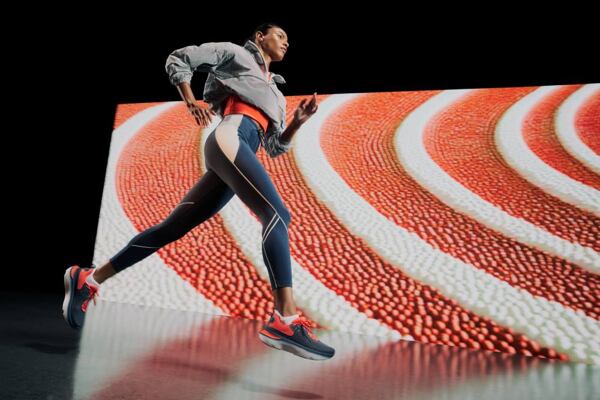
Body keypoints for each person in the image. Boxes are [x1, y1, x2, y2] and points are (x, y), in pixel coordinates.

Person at [63, 22, 335, 361]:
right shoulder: (236, 54)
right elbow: (179, 58)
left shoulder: (278, 95)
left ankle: (88, 278)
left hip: (242, 150)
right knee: (277, 215)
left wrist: (297, 121)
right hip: (229, 138)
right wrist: (190, 100)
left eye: (289, 39)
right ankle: (285, 319)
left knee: (170, 229)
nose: (286, 42)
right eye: (280, 35)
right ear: (259, 37)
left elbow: (275, 147)